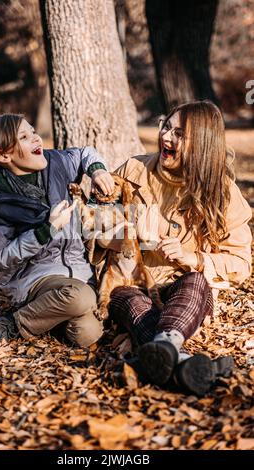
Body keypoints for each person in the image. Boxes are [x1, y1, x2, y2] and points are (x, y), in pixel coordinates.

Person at [87, 100, 252, 396]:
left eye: (179, 133)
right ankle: (183, 362)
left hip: (183, 288)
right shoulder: (133, 170)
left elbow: (241, 262)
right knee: (128, 298)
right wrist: (126, 237)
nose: (166, 137)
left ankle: (161, 351)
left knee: (195, 281)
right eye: (166, 127)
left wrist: (194, 257)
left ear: (201, 144)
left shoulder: (222, 192)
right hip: (132, 281)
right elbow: (93, 227)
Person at [0, 114, 115, 346]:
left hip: (78, 271)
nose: (36, 139)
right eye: (24, 137)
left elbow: (85, 152)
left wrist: (98, 171)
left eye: (33, 131)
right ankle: (12, 323)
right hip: (34, 277)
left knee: (87, 334)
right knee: (82, 298)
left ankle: (48, 316)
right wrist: (47, 230)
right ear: (4, 155)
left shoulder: (55, 162)